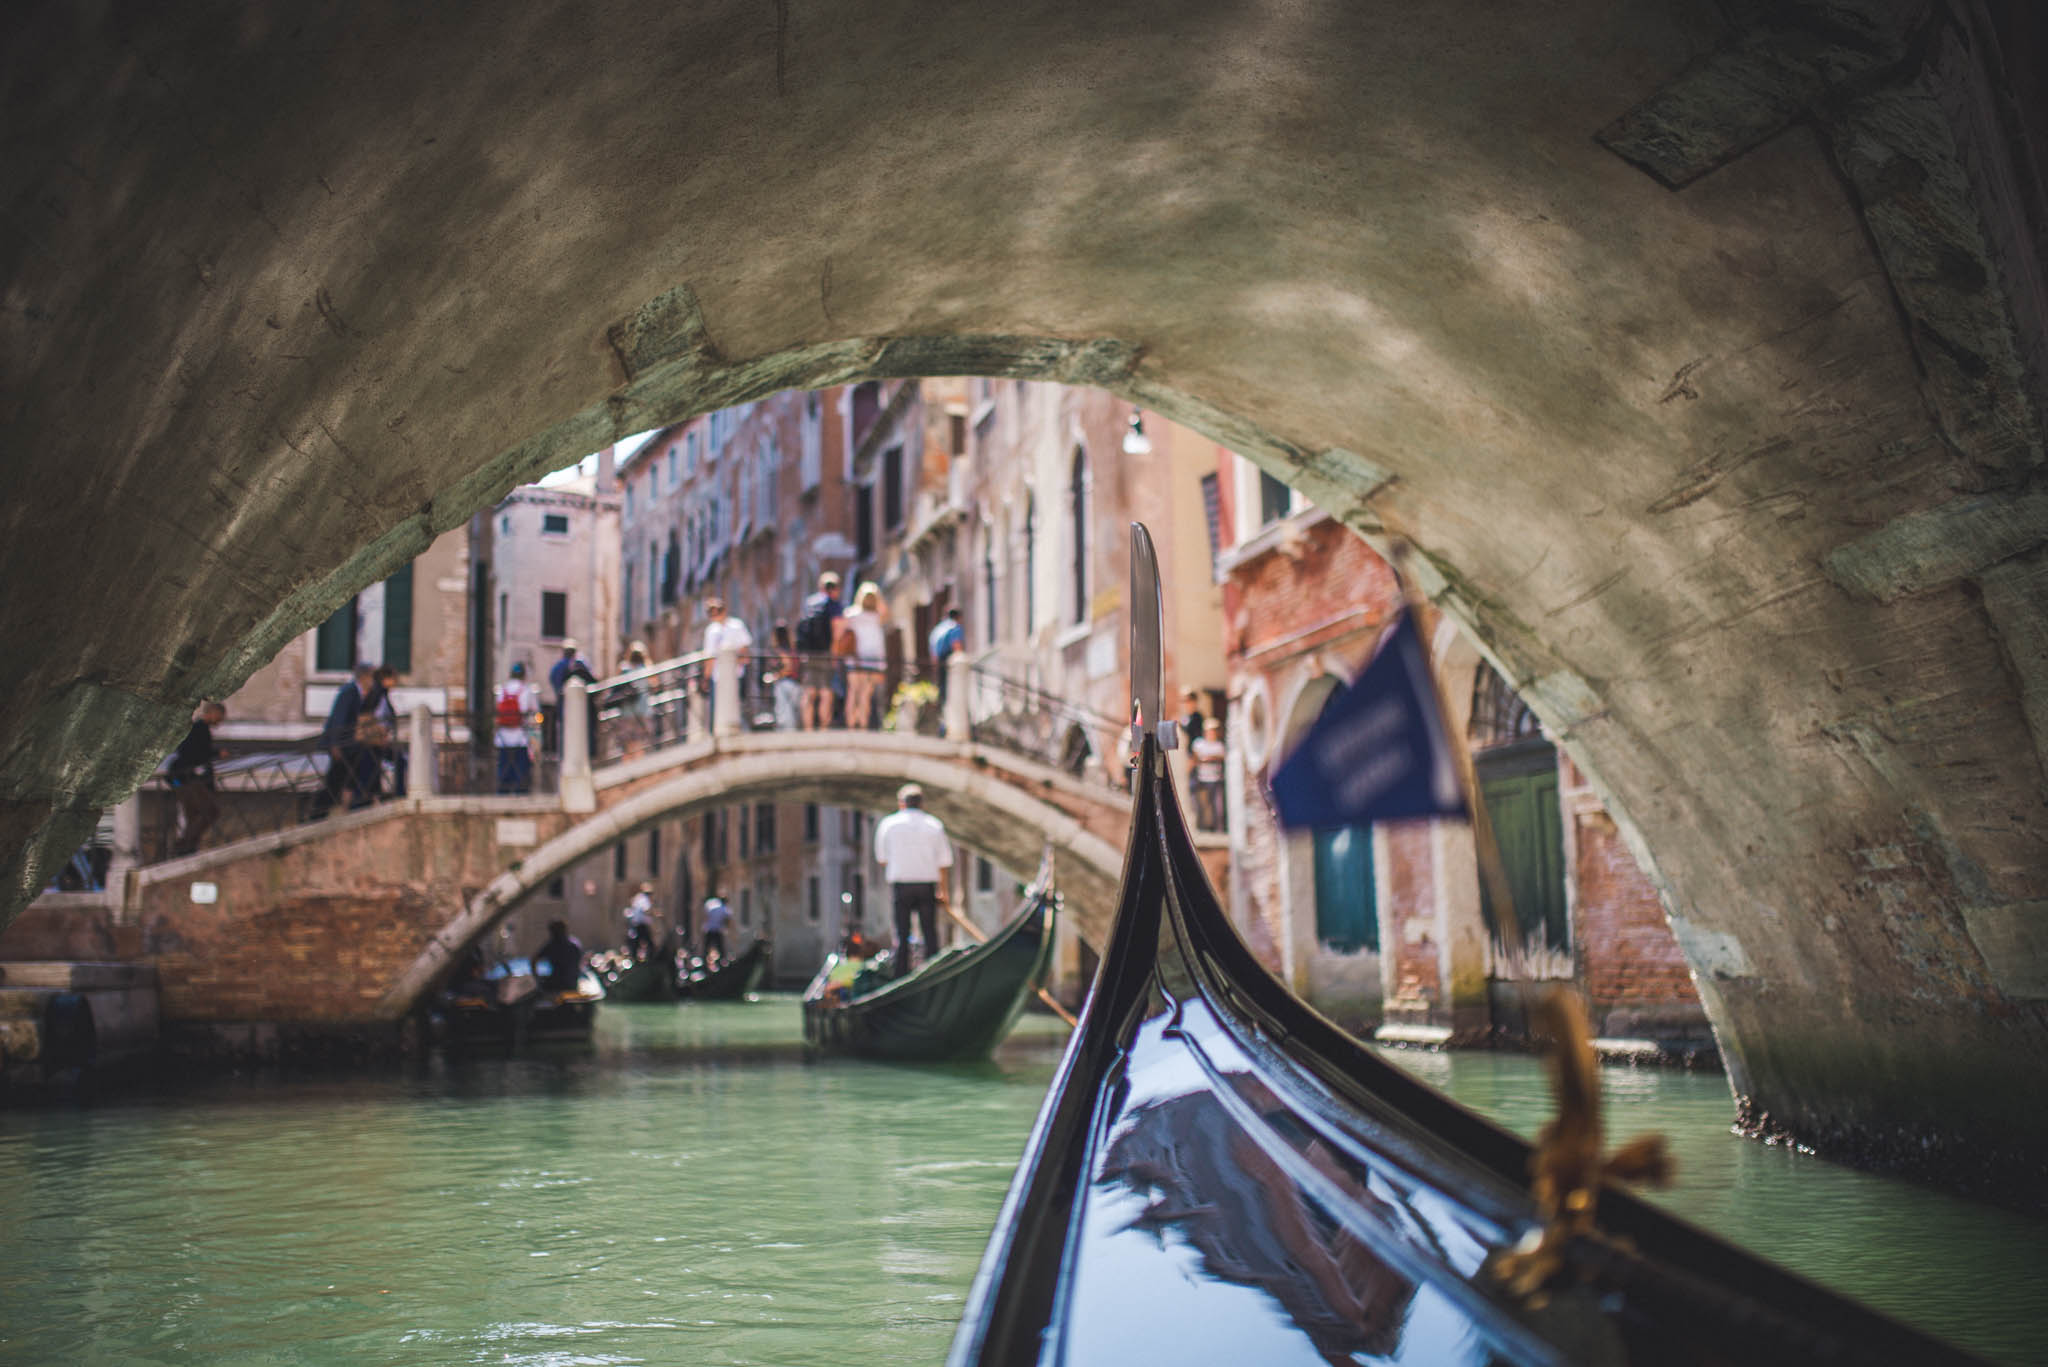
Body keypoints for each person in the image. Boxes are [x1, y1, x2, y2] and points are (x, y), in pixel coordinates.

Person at [873, 782, 953, 978]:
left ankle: (900, 978)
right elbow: (944, 862)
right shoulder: (934, 825)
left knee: (901, 935)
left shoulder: (888, 824)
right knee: (930, 934)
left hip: (901, 886)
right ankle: (934, 974)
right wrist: (943, 891)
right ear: (921, 804)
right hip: (926, 886)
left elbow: (882, 860)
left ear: (902, 803)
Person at [315, 661, 380, 817]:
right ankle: (319, 810)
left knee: (345, 775)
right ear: (364, 677)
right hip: (342, 744)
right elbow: (339, 719)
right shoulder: (349, 692)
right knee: (337, 778)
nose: (373, 681)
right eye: (372, 677)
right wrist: (335, 745)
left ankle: (355, 803)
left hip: (349, 744)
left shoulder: (361, 693)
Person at [167, 701, 227, 854]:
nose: (221, 720)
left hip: (182, 777)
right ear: (212, 713)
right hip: (185, 777)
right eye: (220, 716)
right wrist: (217, 754)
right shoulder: (199, 728)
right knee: (209, 811)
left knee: (193, 813)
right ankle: (184, 845)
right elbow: (195, 754)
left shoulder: (199, 729)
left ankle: (188, 846)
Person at [795, 571, 844, 730]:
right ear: (836, 588)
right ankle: (824, 727)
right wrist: (835, 654)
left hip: (808, 653)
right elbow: (837, 632)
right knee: (825, 691)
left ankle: (808, 728)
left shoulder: (809, 603)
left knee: (809, 691)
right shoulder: (834, 605)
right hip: (825, 653)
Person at [839, 581, 889, 731]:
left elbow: (842, 632)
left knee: (853, 690)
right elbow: (885, 610)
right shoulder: (877, 615)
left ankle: (851, 722)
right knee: (866, 693)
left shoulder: (850, 614)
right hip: (872, 657)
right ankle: (862, 723)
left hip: (855, 657)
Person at [701, 597, 754, 730]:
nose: (714, 615)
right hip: (718, 675)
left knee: (740, 703)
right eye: (711, 612)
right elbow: (710, 656)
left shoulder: (737, 625)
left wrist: (739, 662)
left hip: (737, 673)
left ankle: (743, 729)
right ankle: (719, 731)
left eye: (717, 611)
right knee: (718, 705)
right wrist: (706, 677)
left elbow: (744, 647)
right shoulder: (711, 630)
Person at [495, 662, 540, 794]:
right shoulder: (526, 690)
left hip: (502, 737)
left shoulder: (502, 690)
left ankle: (503, 792)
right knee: (521, 769)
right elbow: (535, 710)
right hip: (521, 737)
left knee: (504, 767)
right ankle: (521, 791)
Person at [370, 664, 406, 798]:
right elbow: (377, 716)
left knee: (376, 767)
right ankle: (399, 793)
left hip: (378, 739)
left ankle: (377, 795)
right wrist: (382, 735)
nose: (396, 681)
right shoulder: (379, 694)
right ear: (385, 679)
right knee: (400, 761)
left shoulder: (381, 693)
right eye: (394, 678)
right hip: (376, 739)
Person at [1191, 717, 1227, 832]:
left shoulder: (1220, 745)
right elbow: (1195, 758)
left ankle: (1219, 829)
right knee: (1202, 806)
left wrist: (1208, 758)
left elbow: (1222, 757)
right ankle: (1202, 829)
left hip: (1216, 779)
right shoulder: (1199, 743)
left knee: (1218, 806)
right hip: (1201, 779)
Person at [928, 606, 964, 718]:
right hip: (950, 661)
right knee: (952, 692)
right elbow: (956, 645)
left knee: (942, 690)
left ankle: (942, 716)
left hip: (939, 661)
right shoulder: (955, 627)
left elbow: (933, 648)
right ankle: (950, 718)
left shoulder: (939, 628)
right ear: (958, 617)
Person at [532, 919, 584, 995]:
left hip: (557, 984)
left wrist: (537, 978)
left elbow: (534, 960)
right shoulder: (575, 945)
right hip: (572, 983)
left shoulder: (551, 945)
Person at [769, 621, 804, 730]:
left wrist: (776, 676)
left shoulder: (781, 651)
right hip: (796, 683)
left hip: (785, 683)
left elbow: (788, 666)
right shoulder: (794, 649)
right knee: (793, 712)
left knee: (785, 713)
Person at [625, 881, 656, 960]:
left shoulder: (638, 898)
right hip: (641, 925)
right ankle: (650, 960)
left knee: (636, 942)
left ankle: (634, 958)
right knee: (649, 943)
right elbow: (646, 910)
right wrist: (655, 913)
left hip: (636, 924)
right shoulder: (644, 899)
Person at [701, 894, 732, 966]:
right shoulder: (725, 909)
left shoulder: (712, 906)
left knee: (706, 947)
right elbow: (727, 920)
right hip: (717, 930)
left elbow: (706, 916)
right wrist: (726, 928)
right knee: (720, 947)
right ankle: (722, 962)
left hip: (709, 929)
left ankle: (705, 962)